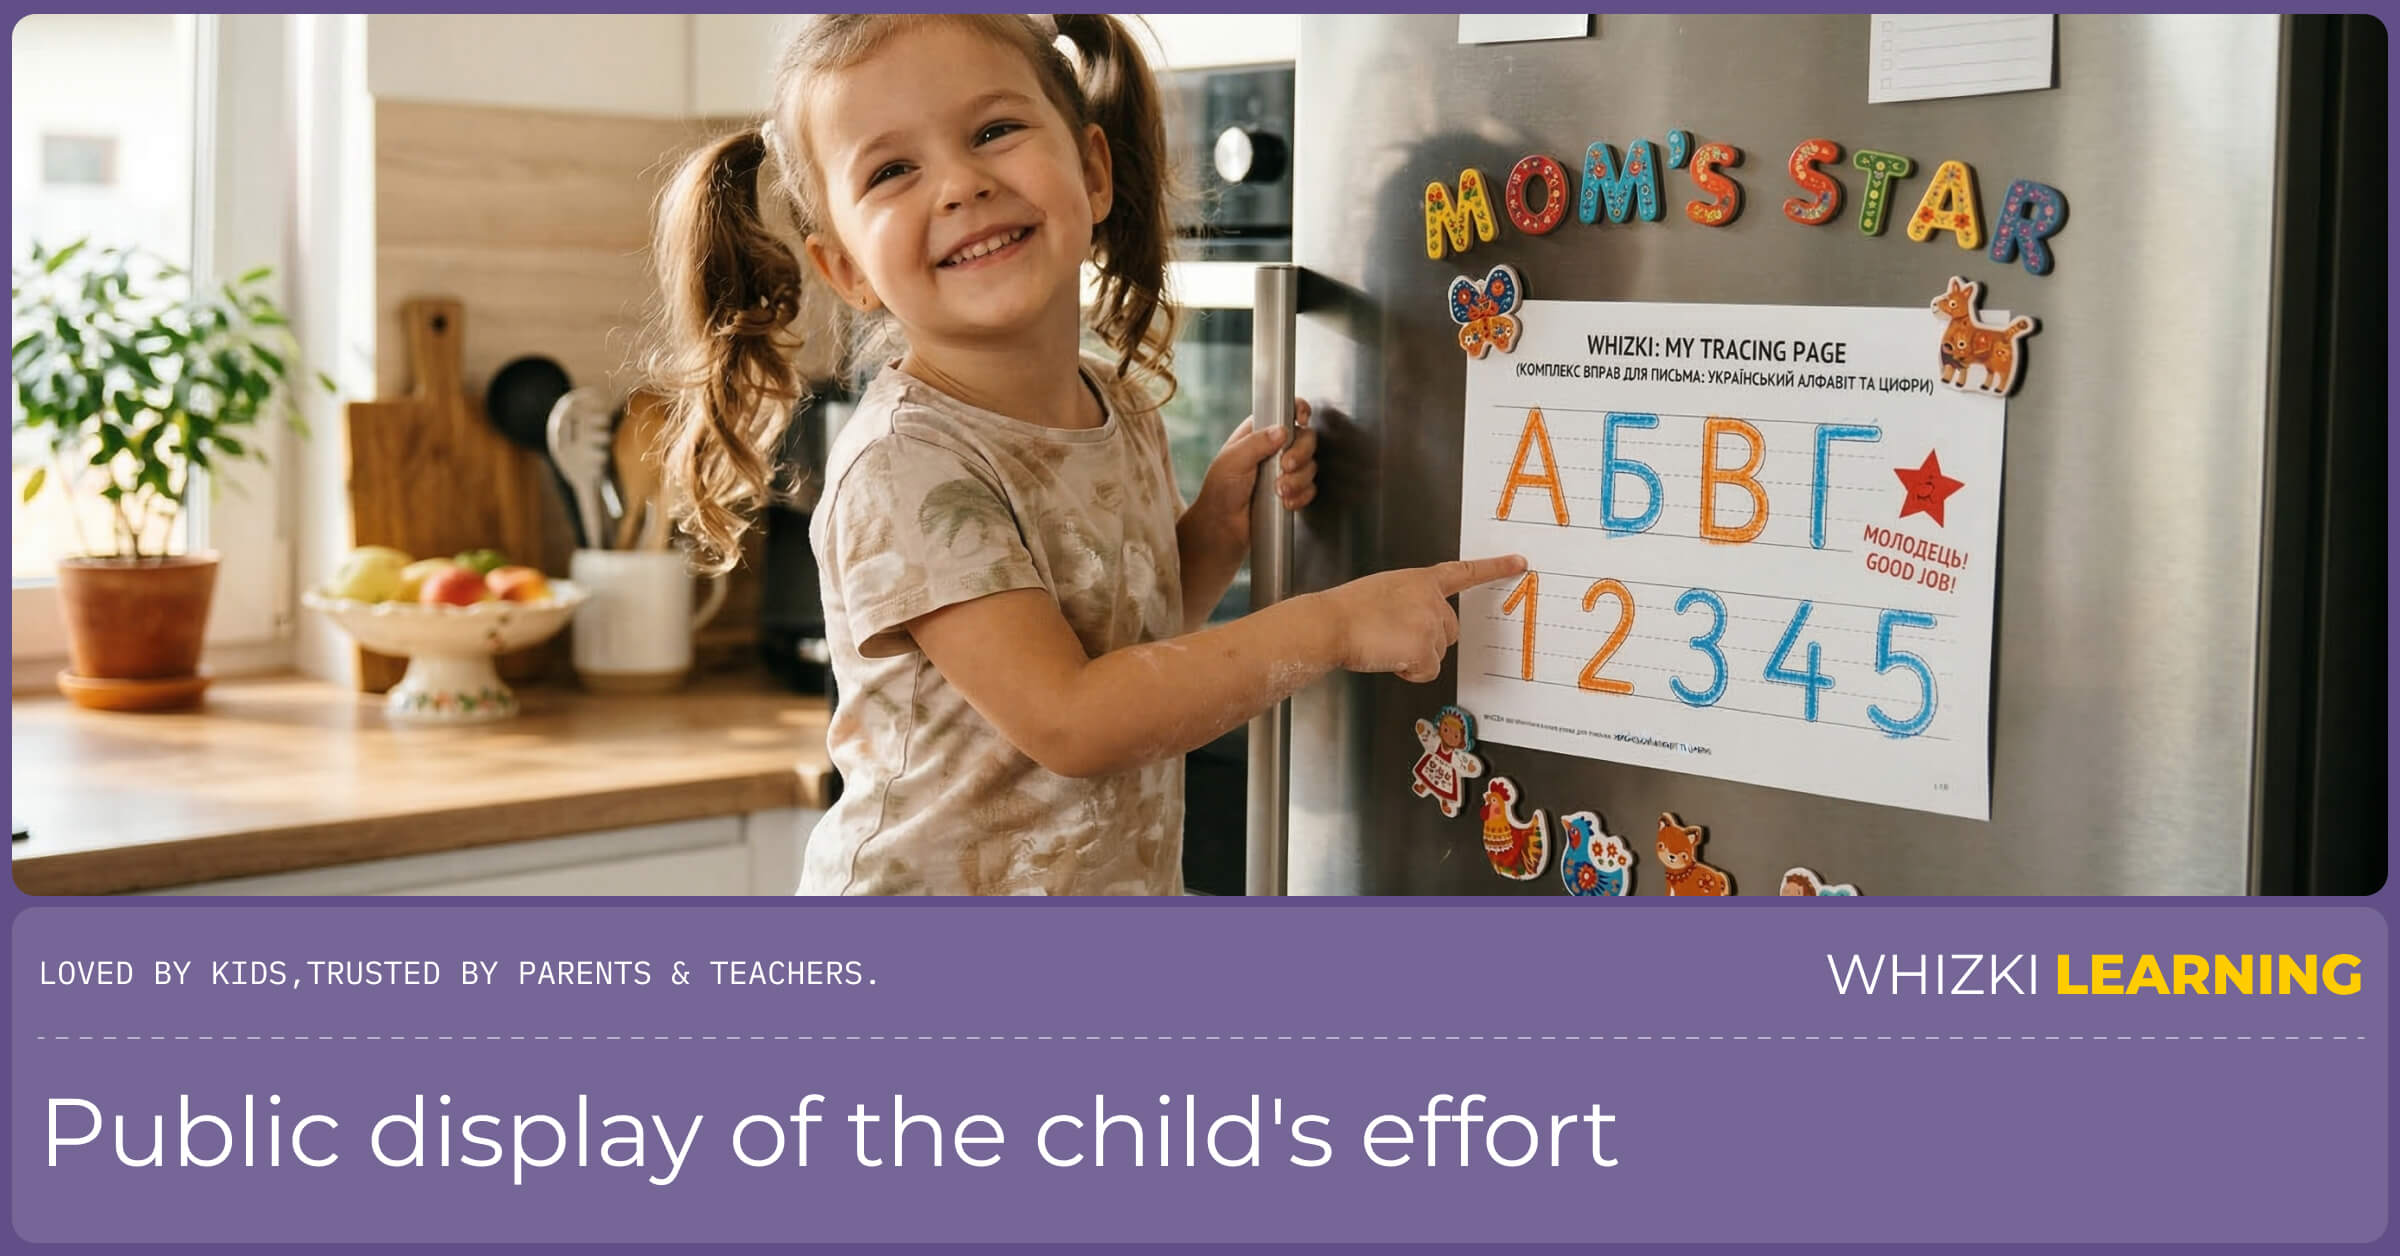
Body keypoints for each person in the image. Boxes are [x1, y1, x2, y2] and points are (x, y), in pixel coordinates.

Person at [651, 14, 1522, 894]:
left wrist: (1215, 530)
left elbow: (1130, 642)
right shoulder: (906, 464)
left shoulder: (1121, 406)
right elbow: (1072, 720)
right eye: (892, 171)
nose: (959, 184)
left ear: (1093, 171)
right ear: (845, 270)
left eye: (994, 131)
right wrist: (1332, 626)